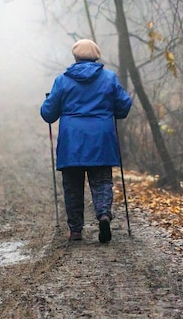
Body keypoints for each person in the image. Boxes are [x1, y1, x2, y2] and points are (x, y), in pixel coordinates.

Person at [41, 39, 131, 243]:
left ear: (75, 57)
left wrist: (48, 103)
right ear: (96, 56)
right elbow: (124, 106)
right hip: (101, 139)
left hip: (72, 141)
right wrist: (109, 111)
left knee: (72, 186)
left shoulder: (62, 81)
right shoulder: (109, 78)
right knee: (102, 181)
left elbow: (48, 114)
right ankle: (104, 215)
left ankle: (75, 230)